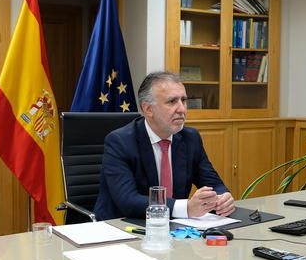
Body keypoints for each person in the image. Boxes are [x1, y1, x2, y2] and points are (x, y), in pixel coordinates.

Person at [95, 71, 236, 220]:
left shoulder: (190, 138)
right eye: (172, 101)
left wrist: (222, 199)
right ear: (148, 109)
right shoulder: (120, 142)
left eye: (184, 100)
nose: (182, 109)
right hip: (124, 227)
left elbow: (214, 184)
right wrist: (185, 208)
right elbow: (128, 201)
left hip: (176, 228)